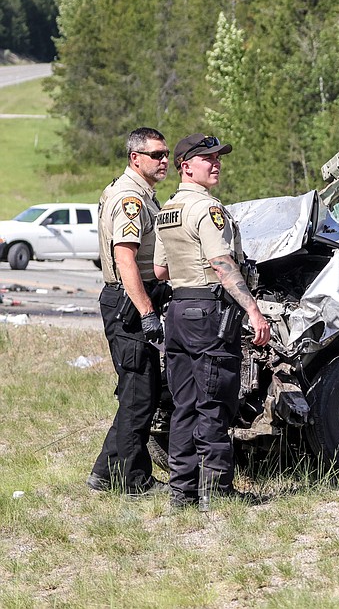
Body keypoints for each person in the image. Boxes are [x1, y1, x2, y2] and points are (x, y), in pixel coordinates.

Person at [152, 134, 271, 510]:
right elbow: (222, 264)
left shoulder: (167, 210)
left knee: (184, 403)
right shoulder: (207, 210)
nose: (216, 163)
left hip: (178, 311)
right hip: (209, 313)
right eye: (207, 158)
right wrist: (253, 310)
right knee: (214, 401)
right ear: (186, 165)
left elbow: (159, 269)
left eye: (218, 157)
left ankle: (181, 491)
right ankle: (216, 489)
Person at [87, 127, 170, 496]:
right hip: (129, 301)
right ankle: (133, 480)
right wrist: (147, 312)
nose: (164, 160)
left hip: (130, 298)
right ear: (136, 158)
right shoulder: (129, 198)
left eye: (166, 153)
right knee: (139, 393)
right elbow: (125, 258)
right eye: (156, 155)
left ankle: (105, 474)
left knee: (138, 391)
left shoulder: (140, 193)